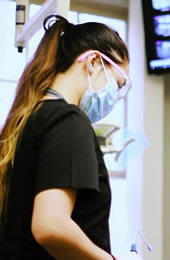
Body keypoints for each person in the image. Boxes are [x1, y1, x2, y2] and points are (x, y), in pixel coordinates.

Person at [0, 15, 138, 260]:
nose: (114, 97)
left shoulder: (25, 121)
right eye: (117, 84)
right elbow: (51, 227)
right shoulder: (69, 121)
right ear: (94, 61)